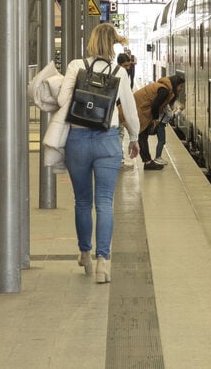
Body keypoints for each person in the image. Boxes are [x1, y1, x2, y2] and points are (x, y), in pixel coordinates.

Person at [57, 23, 140, 283]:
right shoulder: (119, 72)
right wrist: (135, 137)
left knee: (82, 201)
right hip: (107, 141)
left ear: (92, 41)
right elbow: (130, 108)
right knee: (104, 202)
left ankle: (85, 253)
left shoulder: (75, 65)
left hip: (78, 141)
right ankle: (103, 262)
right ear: (113, 44)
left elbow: (62, 101)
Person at [133, 75, 186, 169]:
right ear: (175, 84)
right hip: (139, 111)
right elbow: (155, 106)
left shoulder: (163, 87)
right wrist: (155, 119)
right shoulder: (164, 90)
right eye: (180, 86)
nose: (181, 89)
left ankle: (148, 162)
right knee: (142, 137)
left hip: (139, 110)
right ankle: (148, 163)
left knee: (142, 137)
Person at [116, 53, 136, 168]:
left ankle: (120, 158)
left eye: (129, 65)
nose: (128, 68)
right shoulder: (118, 75)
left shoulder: (127, 72)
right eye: (125, 66)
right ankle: (120, 159)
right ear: (119, 65)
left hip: (120, 108)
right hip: (118, 108)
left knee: (119, 133)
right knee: (119, 133)